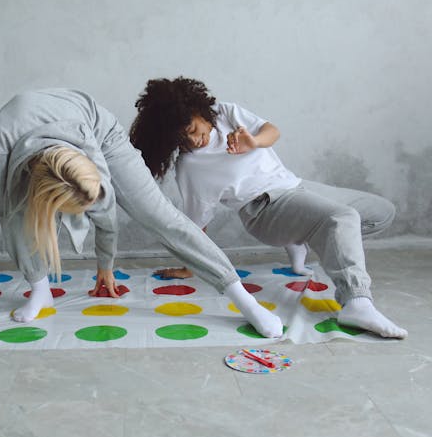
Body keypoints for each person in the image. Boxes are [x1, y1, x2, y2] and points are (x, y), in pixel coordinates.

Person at [0, 88, 283, 343]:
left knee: (161, 216)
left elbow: (106, 209)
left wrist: (105, 265)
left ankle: (243, 299)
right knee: (14, 216)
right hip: (23, 147)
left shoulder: (87, 144)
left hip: (96, 131)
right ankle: (40, 289)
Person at [129, 77, 407, 339]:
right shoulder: (190, 168)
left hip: (296, 186)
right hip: (265, 210)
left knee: (381, 212)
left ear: (200, 111)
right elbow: (194, 226)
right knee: (342, 217)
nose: (192, 141)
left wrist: (254, 142)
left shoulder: (226, 113)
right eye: (181, 140)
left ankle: (305, 236)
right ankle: (356, 302)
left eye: (192, 130)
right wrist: (188, 267)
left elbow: (271, 131)